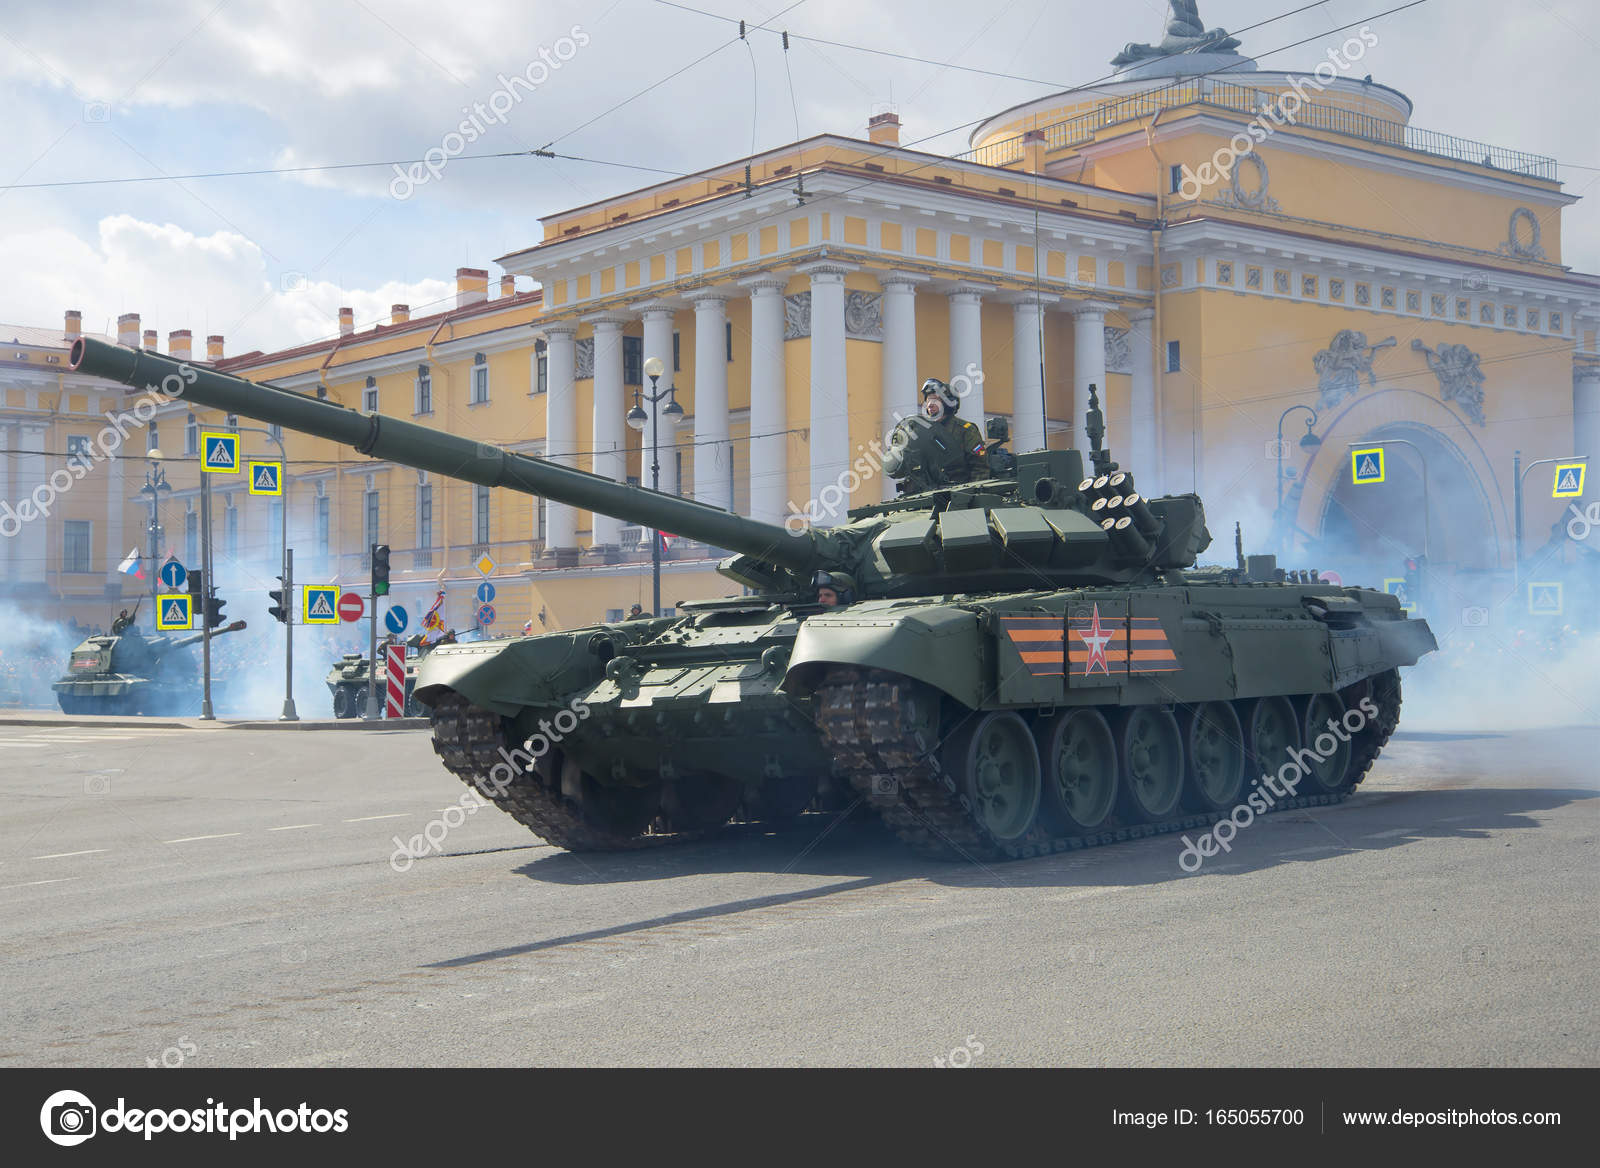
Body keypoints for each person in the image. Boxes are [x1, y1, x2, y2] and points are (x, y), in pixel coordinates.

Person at [913, 377, 988, 484]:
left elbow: (980, 468)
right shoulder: (923, 432)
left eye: (936, 400)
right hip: (930, 493)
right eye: (928, 399)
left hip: (960, 493)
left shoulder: (966, 430)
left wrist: (971, 495)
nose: (930, 404)